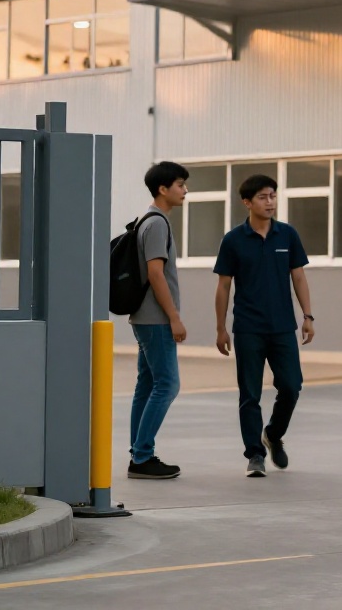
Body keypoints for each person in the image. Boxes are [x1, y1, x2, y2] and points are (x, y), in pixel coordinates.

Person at [214, 173, 315, 478]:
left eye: (273, 196)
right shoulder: (233, 240)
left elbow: (298, 276)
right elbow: (223, 286)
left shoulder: (287, 235)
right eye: (263, 197)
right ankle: (255, 455)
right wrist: (221, 328)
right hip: (248, 327)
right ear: (247, 202)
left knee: (291, 386)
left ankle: (272, 433)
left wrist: (307, 316)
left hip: (283, 326)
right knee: (250, 394)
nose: (270, 202)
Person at [126, 161, 189, 480]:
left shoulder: (148, 220)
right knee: (167, 384)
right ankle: (142, 455)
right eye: (180, 184)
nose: (185, 190)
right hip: (155, 319)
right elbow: (155, 273)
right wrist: (174, 318)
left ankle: (138, 453)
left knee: (148, 384)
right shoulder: (157, 223)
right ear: (163, 189)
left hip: (145, 317)